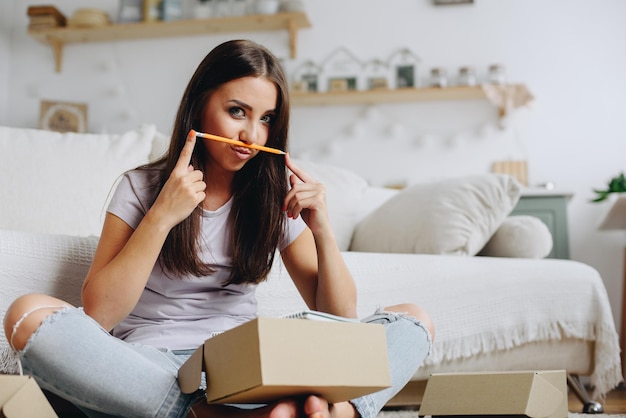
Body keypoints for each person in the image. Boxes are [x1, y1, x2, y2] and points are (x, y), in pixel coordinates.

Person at [3, 39, 434, 418]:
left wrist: (324, 232)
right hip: (155, 367)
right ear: (200, 107)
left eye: (265, 118)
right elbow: (99, 313)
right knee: (28, 314)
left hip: (248, 365)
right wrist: (162, 216)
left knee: (415, 321)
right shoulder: (141, 187)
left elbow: (343, 324)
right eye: (236, 112)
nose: (251, 134)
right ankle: (228, 417)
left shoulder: (271, 195)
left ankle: (337, 413)